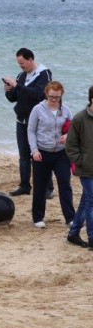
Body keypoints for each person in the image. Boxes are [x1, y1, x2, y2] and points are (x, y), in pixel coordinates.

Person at [4, 48, 54, 199]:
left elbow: (38, 95)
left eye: (22, 63)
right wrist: (8, 90)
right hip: (22, 120)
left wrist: (18, 86)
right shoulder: (21, 75)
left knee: (40, 155)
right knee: (24, 155)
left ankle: (48, 188)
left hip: (39, 122)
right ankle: (25, 186)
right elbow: (14, 98)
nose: (21, 66)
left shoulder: (44, 73)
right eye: (19, 63)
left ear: (31, 59)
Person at [27, 81, 75, 229]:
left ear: (61, 96)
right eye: (51, 96)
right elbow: (31, 131)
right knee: (40, 186)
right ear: (46, 93)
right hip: (42, 153)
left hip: (61, 153)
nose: (54, 99)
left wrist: (68, 136)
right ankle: (38, 217)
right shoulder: (37, 109)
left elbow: (73, 129)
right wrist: (34, 150)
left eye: (57, 97)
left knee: (65, 184)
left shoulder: (66, 110)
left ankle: (70, 218)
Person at [66, 85, 93, 250]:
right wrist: (82, 161)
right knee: (91, 203)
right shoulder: (79, 119)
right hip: (87, 169)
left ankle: (73, 233)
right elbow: (70, 146)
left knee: (86, 202)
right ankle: (92, 239)